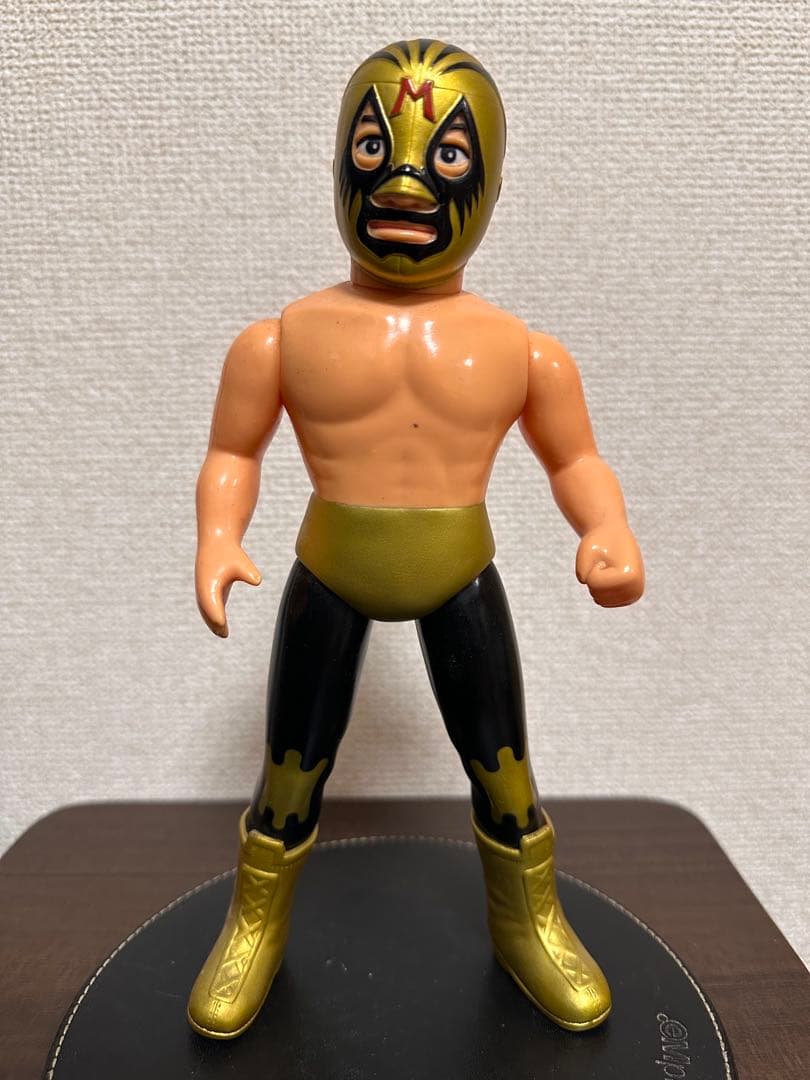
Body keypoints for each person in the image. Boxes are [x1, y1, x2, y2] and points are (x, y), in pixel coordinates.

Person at [187, 38, 644, 1040]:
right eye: (373, 146)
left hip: (457, 576)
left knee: (503, 765)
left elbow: (576, 460)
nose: (402, 180)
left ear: (491, 184)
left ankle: (528, 921)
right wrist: (219, 537)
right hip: (330, 571)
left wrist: (605, 526)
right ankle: (255, 923)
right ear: (335, 164)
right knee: (291, 768)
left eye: (445, 156)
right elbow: (233, 451)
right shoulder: (284, 338)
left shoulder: (521, 351)